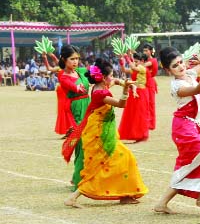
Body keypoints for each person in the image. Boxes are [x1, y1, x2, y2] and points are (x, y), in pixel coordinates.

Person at [154, 47, 200, 214]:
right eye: (175, 66)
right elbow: (197, 90)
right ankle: (187, 200)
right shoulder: (177, 85)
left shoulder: (190, 74)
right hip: (185, 129)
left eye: (181, 62)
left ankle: (199, 198)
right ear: (168, 70)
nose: (181, 67)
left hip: (195, 126)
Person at [64, 58, 148, 208]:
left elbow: (116, 80)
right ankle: (72, 198)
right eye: (110, 75)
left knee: (122, 159)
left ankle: (125, 195)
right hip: (99, 133)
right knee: (100, 165)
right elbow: (121, 104)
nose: (112, 77)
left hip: (103, 129)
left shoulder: (101, 84)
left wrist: (127, 85)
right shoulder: (100, 93)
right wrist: (126, 90)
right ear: (103, 77)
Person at [58, 45, 90, 189]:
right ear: (64, 60)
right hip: (76, 109)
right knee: (81, 145)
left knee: (91, 142)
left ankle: (79, 176)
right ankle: (78, 182)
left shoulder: (81, 71)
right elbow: (71, 86)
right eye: (72, 59)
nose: (75, 61)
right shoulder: (63, 76)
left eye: (77, 58)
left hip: (89, 106)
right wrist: (77, 87)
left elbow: (98, 75)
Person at [118, 52, 150, 142]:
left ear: (141, 61)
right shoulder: (137, 68)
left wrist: (127, 57)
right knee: (133, 114)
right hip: (133, 92)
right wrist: (122, 61)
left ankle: (141, 135)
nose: (135, 63)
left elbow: (133, 67)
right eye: (134, 61)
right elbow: (124, 70)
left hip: (141, 92)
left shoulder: (142, 68)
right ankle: (135, 134)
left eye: (137, 61)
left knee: (140, 113)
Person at [42, 52, 73, 136]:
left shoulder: (70, 68)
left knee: (68, 109)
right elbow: (49, 68)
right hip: (61, 90)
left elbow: (56, 60)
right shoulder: (60, 68)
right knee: (62, 110)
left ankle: (71, 129)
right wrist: (45, 58)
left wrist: (51, 54)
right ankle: (67, 130)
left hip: (68, 89)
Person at [143, 43, 158, 130]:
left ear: (151, 51)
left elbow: (143, 65)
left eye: (146, 50)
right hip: (143, 83)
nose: (144, 52)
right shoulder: (145, 60)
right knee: (145, 104)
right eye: (144, 50)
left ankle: (151, 124)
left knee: (150, 104)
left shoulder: (153, 61)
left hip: (150, 83)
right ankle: (146, 122)